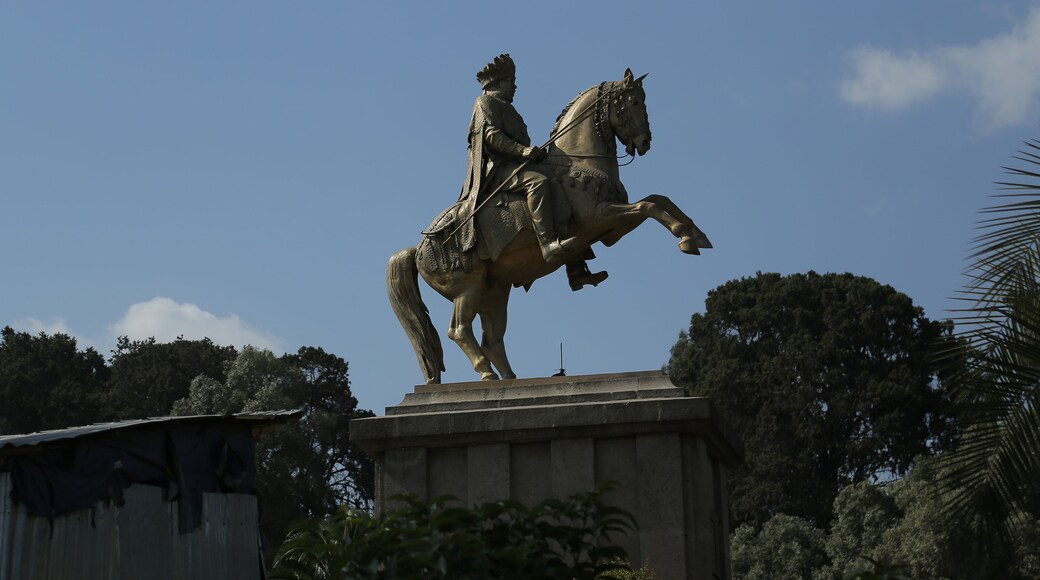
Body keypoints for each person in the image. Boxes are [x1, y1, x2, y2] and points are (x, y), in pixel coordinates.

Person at [457, 54, 579, 262]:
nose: (515, 87)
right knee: (538, 182)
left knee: (563, 181)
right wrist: (522, 151)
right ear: (497, 83)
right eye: (511, 82)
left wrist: (533, 154)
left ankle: (576, 265)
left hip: (516, 165)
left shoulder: (509, 109)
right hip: (497, 170)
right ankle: (548, 244)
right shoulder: (485, 102)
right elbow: (491, 136)